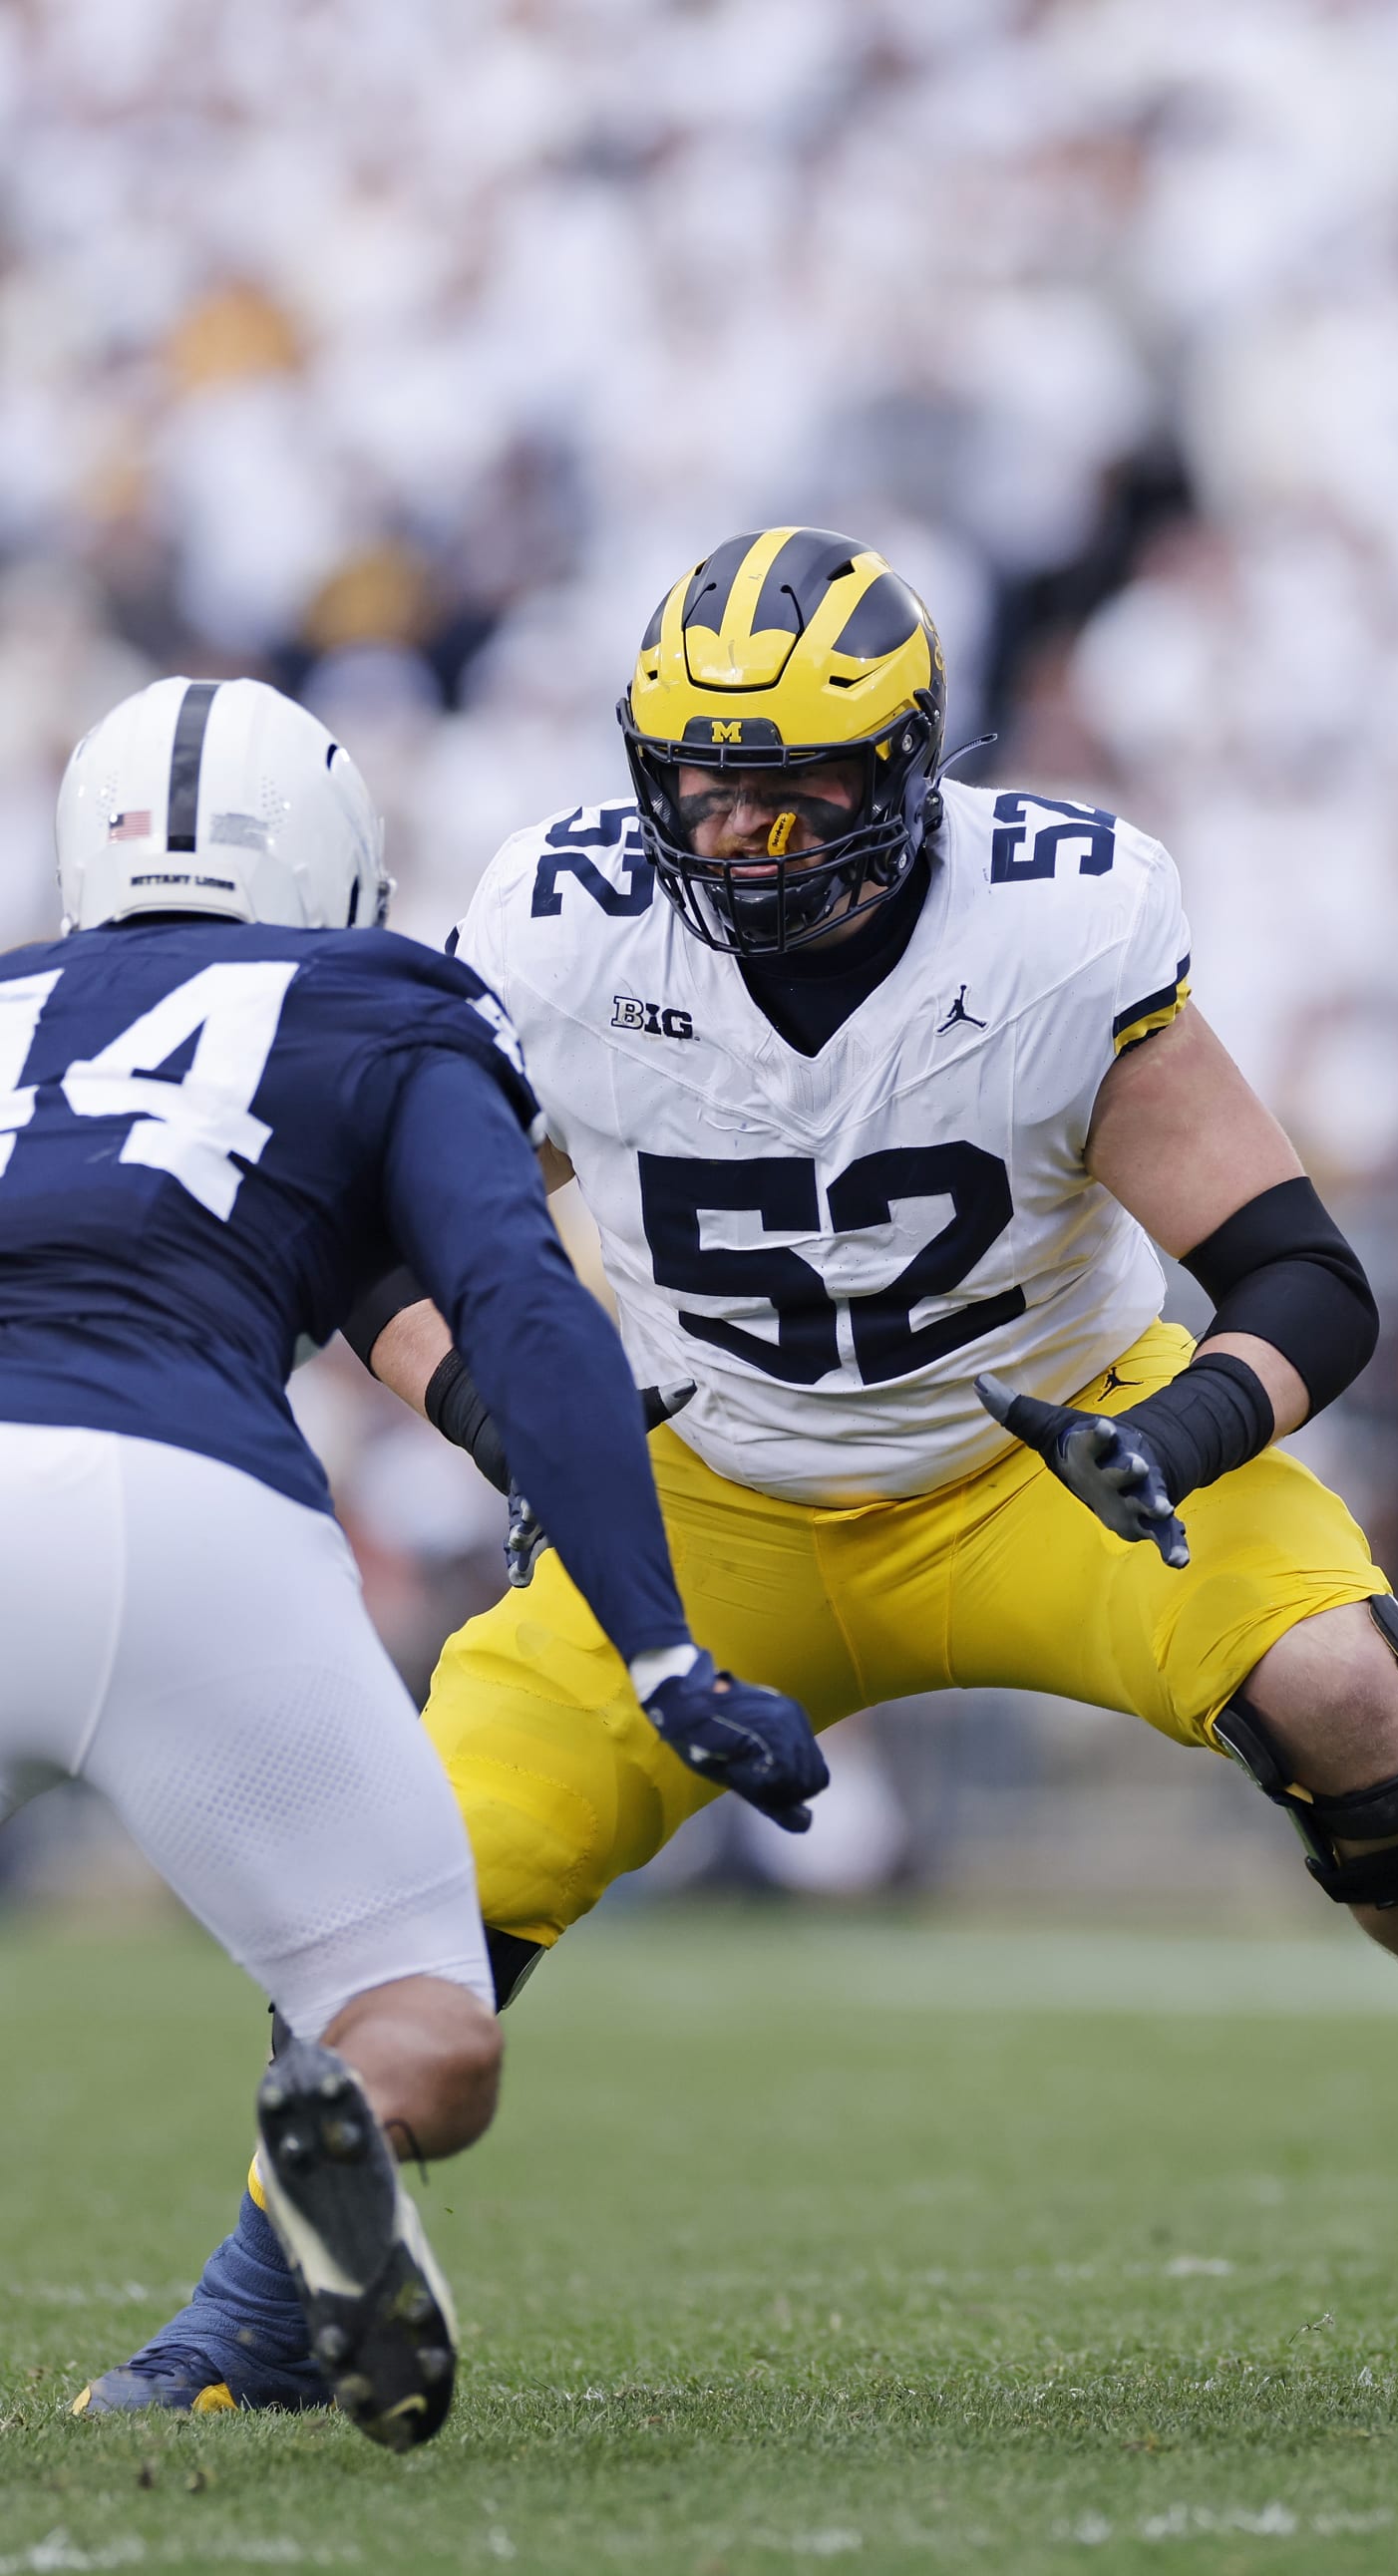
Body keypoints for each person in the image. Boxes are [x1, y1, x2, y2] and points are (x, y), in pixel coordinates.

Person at [82, 533, 1398, 2417]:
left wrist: (1174, 1435)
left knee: (1349, 1689)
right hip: (708, 1493)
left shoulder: (1057, 917)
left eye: (791, 789)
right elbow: (382, 1247)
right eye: (699, 783)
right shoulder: (554, 921)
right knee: (416, 1867)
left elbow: (1301, 1279)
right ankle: (262, 2300)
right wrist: (515, 1426)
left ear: (908, 766)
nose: (738, 833)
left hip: (1052, 1454)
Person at [3, 673, 824, 2447]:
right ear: (339, 863)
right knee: (422, 2027)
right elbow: (521, 1302)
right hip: (179, 1518)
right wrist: (663, 1650)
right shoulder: (377, 997)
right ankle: (344, 2134)